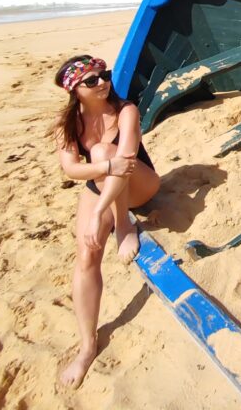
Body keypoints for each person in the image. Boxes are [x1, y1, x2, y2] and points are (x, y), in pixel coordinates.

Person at [51, 54, 160, 389]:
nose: (103, 83)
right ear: (76, 91)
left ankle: (124, 224)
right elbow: (71, 170)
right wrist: (102, 171)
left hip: (140, 184)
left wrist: (103, 210)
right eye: (92, 80)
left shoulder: (126, 110)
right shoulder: (69, 124)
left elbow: (126, 161)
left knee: (102, 152)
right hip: (103, 179)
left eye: (105, 75)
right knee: (85, 256)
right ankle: (87, 346)